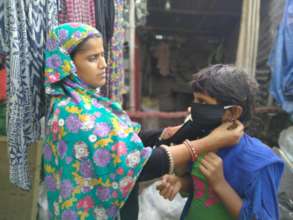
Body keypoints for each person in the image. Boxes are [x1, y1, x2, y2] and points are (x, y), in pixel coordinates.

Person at [43, 23, 244, 220]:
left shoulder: (85, 101)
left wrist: (165, 134)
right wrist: (209, 143)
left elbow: (120, 141)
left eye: (102, 55)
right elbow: (138, 165)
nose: (104, 64)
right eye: (92, 58)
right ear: (66, 64)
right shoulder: (75, 114)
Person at [157, 64, 285, 220]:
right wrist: (181, 183)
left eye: (202, 102)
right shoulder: (202, 142)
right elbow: (201, 186)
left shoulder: (260, 162)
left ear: (232, 112)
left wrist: (220, 184)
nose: (191, 109)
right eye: (195, 100)